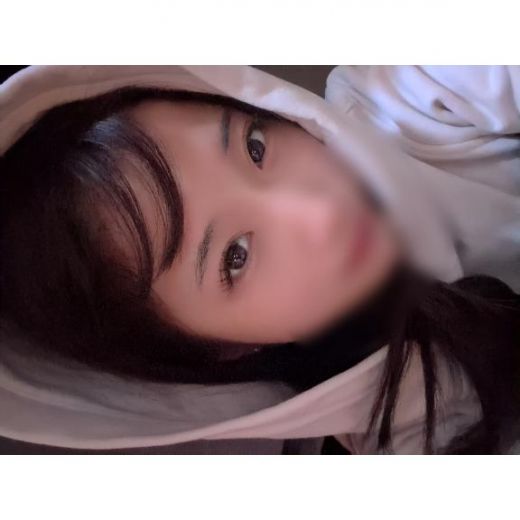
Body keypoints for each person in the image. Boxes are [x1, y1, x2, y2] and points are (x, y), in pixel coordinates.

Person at [0, 67, 519, 454]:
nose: (317, 212)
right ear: (223, 350)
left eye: (254, 147)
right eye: (236, 256)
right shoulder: (412, 433)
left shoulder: (402, 95)